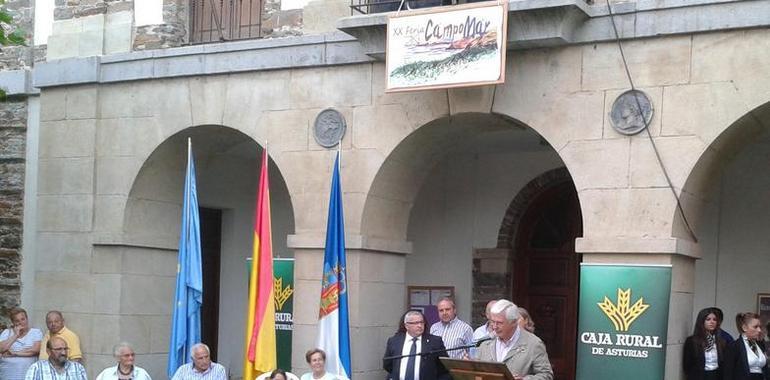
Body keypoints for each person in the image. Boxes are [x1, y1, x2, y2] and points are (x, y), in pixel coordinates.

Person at [477, 299, 553, 380]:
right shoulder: (485, 342)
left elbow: (546, 375)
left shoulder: (533, 344)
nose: (494, 327)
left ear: (513, 322)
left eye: (499, 323)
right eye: (492, 321)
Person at [383, 310, 449, 380]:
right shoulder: (394, 341)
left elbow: (444, 368)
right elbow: (387, 365)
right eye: (416, 323)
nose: (420, 326)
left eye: (421, 322)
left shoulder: (435, 342)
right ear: (406, 325)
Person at [683, 307, 727, 380]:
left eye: (714, 320)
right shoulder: (692, 341)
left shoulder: (721, 341)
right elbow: (687, 366)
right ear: (702, 321)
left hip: (716, 376)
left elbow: (724, 364)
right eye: (708, 319)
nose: (712, 322)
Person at [0, 307, 43, 380]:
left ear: (27, 319)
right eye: (17, 321)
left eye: (23, 319)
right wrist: (15, 335)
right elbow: (1, 349)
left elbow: (35, 350)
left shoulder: (35, 332)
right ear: (13, 323)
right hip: (7, 374)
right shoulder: (6, 333)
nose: (21, 322)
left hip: (27, 375)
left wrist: (14, 353)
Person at [724, 312, 767, 380]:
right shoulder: (734, 346)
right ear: (744, 328)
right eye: (755, 327)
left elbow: (765, 369)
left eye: (760, 327)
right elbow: (728, 372)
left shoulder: (760, 344)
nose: (759, 330)